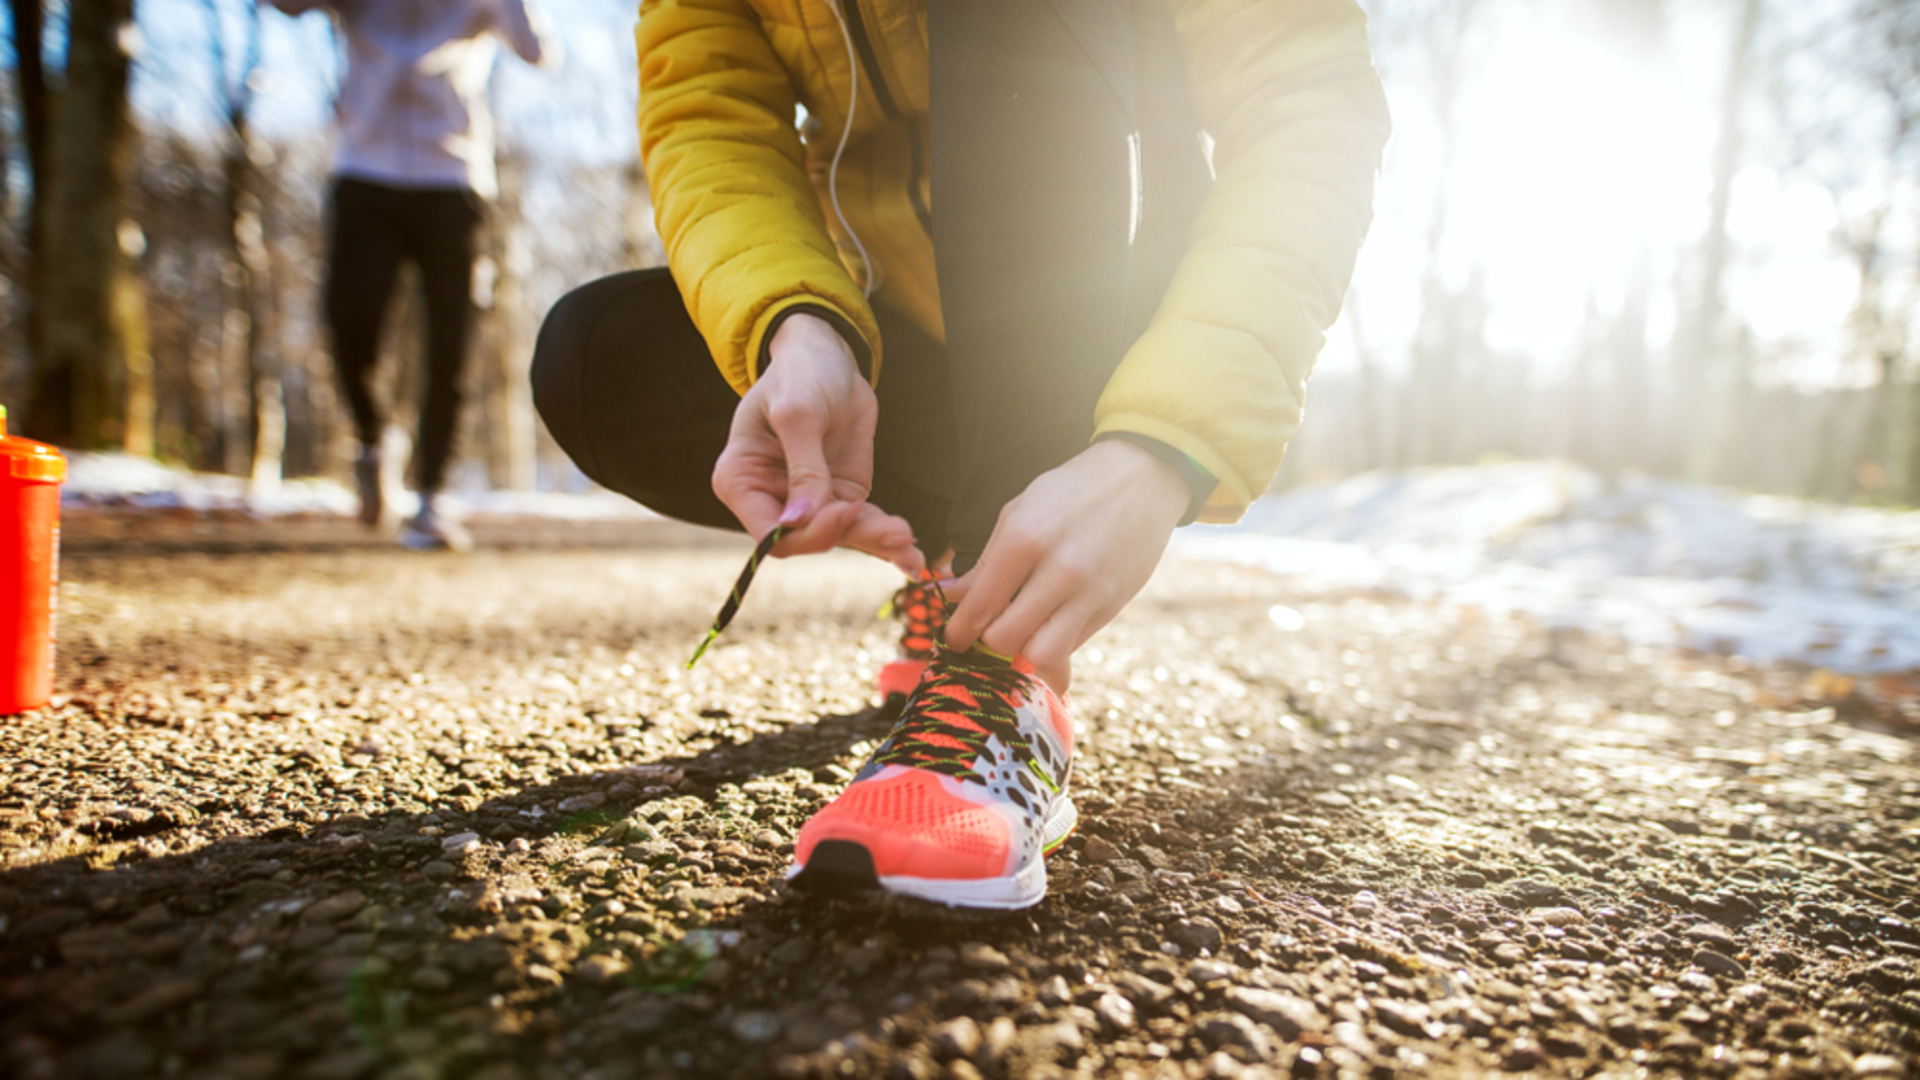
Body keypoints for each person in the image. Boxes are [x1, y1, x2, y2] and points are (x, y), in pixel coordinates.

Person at [533, 0, 1389, 908]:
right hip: (899, 322)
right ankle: (956, 575)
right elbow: (709, 118)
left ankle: (1002, 677)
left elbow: (1305, 98)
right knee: (597, 358)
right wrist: (801, 325)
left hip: (1109, 315)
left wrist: (1161, 445)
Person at [261, 0, 558, 550]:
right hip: (365, 168)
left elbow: (538, 52)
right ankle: (374, 440)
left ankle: (433, 496)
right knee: (350, 322)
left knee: (453, 340)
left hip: (455, 176)